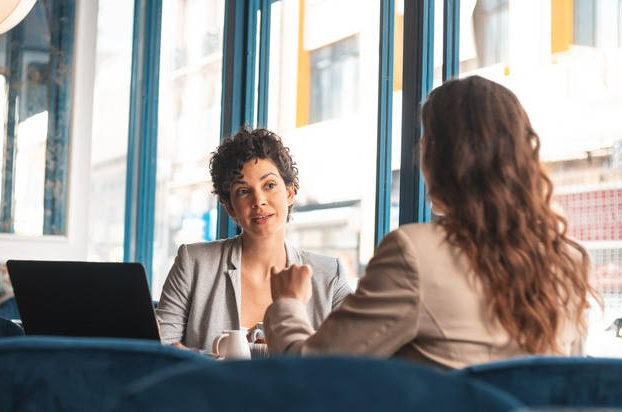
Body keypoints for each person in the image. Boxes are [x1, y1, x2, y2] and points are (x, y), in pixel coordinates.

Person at [265, 76, 598, 370]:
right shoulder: (568, 261)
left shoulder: (415, 252)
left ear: (442, 158)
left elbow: (313, 370)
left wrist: (288, 303)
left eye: (425, 142)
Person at [156, 127, 352, 351]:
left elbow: (350, 359)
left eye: (269, 185)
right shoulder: (193, 263)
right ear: (230, 207)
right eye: (243, 191)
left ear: (289, 193)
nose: (259, 201)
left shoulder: (329, 275)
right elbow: (162, 350)